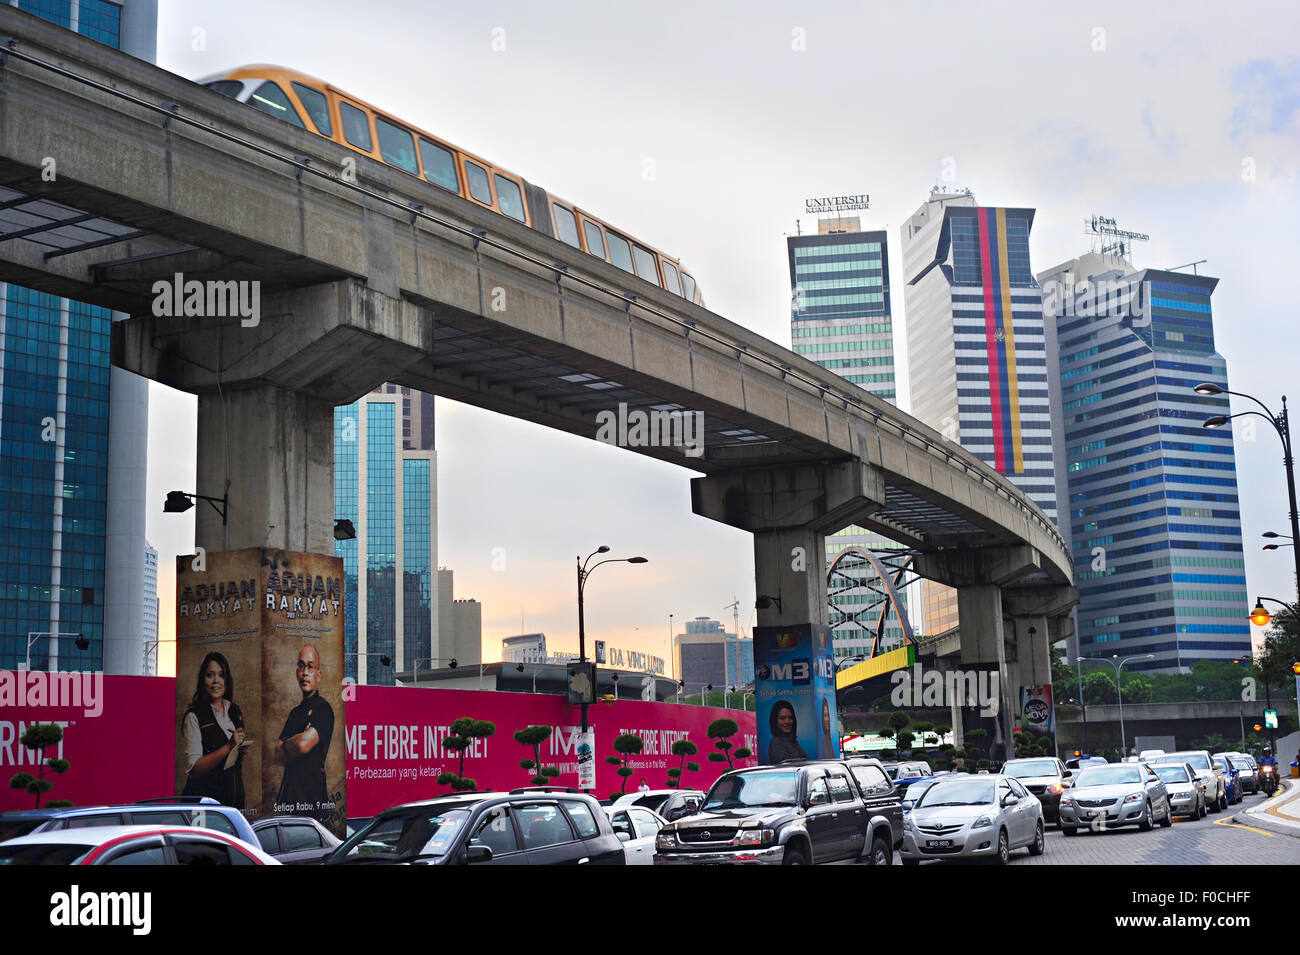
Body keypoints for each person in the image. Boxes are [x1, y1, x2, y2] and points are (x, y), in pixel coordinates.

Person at [275, 644, 335, 817]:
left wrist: (290, 742)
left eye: (310, 666)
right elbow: (278, 755)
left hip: (312, 801)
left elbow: (302, 745)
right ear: (296, 672)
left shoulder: (323, 709)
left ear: (319, 674)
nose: (305, 672)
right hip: (289, 799)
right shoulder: (295, 713)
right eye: (301, 666)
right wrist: (295, 741)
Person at [180, 652, 247, 808]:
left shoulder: (234, 711)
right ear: (202, 680)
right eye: (210, 675)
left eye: (221, 675)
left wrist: (239, 751)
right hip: (204, 805)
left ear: (227, 680)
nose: (216, 681)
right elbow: (194, 769)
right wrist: (228, 746)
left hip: (233, 803)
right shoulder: (194, 716)